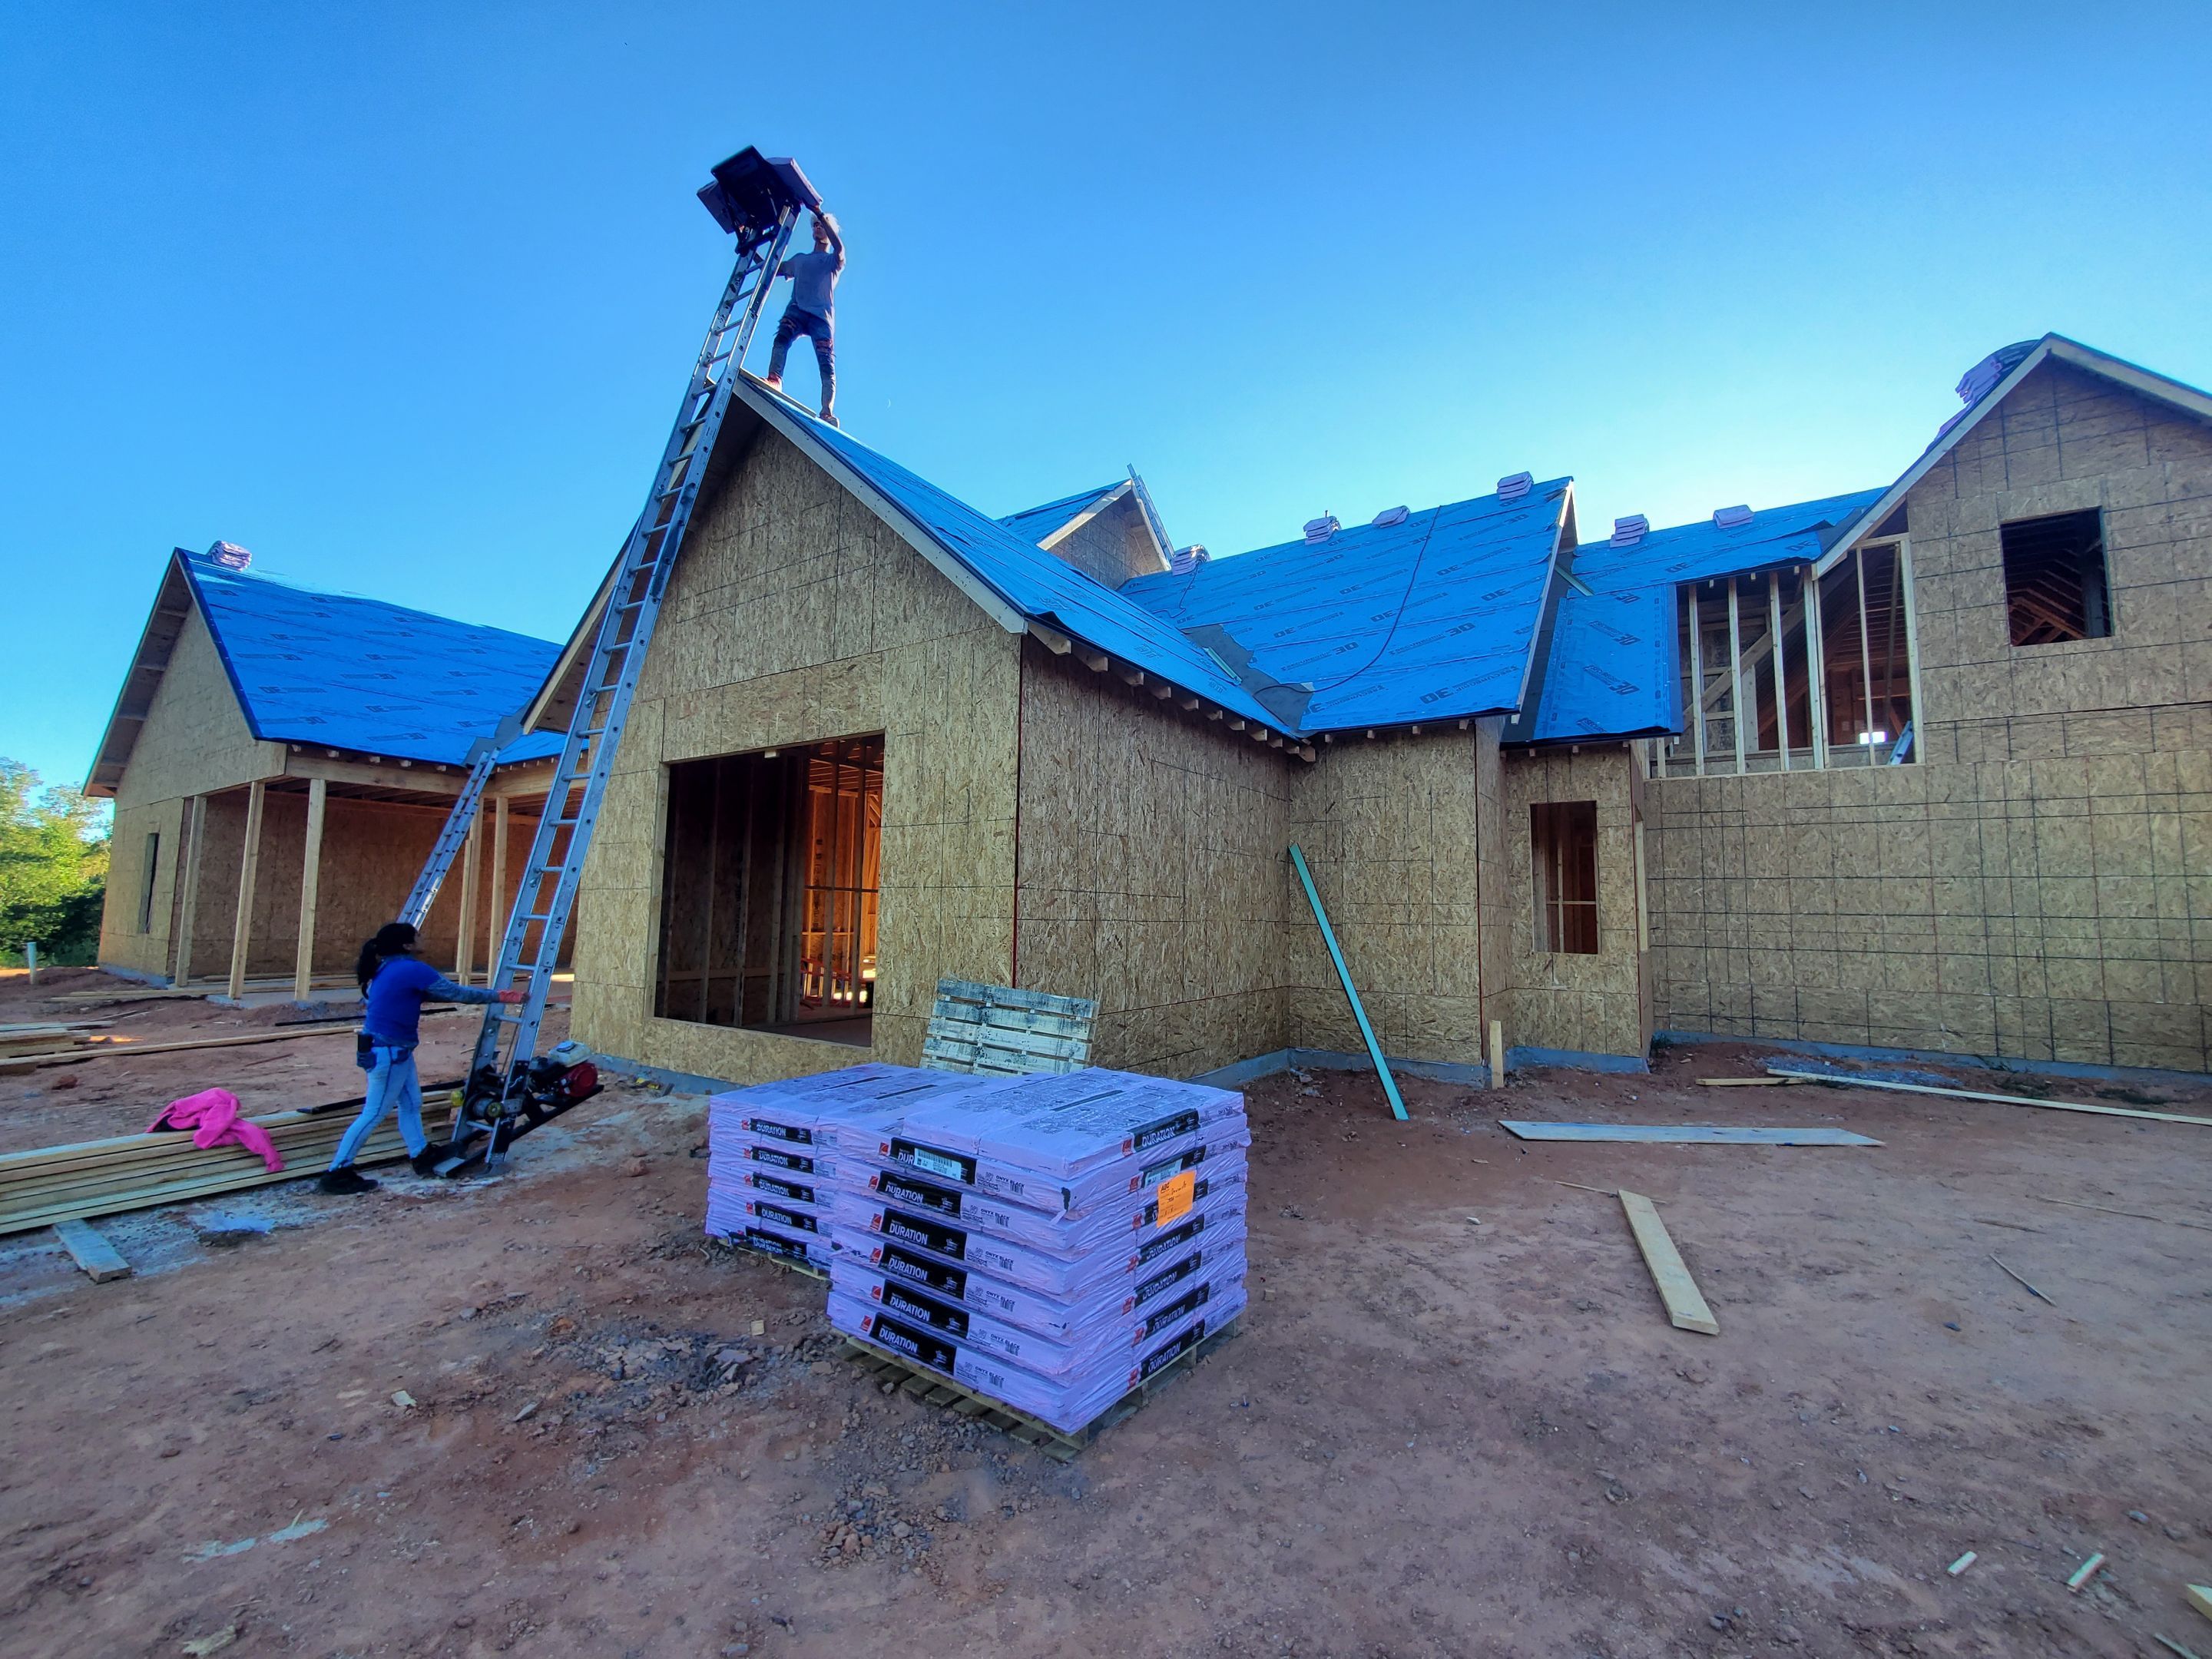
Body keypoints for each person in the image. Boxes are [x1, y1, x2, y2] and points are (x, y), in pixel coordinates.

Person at [320, 921, 522, 1195]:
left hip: (391, 1051)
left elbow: (427, 995)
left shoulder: (389, 968)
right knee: (375, 1112)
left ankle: (421, 1154)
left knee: (411, 1104)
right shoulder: (410, 968)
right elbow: (457, 994)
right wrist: (501, 996)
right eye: (417, 936)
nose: (422, 937)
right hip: (389, 1053)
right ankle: (337, 1172)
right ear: (407, 945)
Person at [762, 210, 845, 426]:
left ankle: (827, 411)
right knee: (781, 339)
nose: (818, 227)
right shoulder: (800, 260)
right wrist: (754, 255)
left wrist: (823, 216)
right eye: (815, 225)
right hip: (798, 310)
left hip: (821, 318)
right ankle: (775, 379)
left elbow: (840, 249)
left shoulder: (832, 261)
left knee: (826, 363)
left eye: (822, 226)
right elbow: (775, 270)